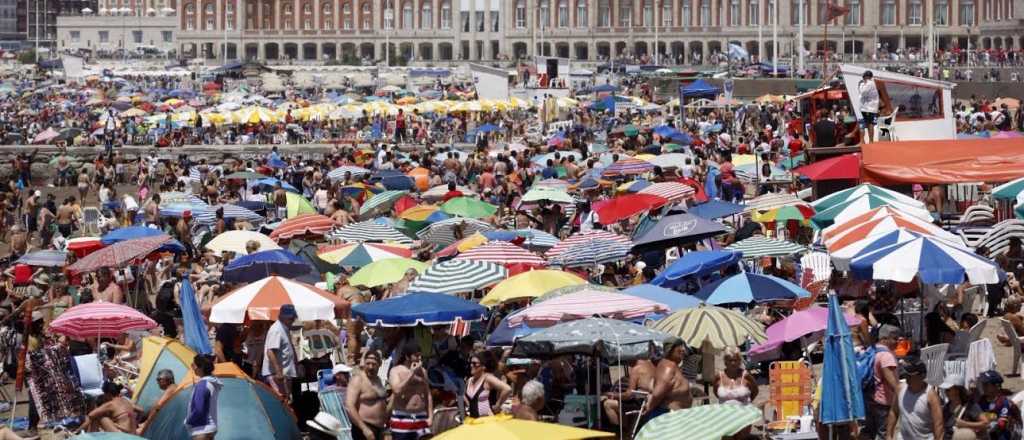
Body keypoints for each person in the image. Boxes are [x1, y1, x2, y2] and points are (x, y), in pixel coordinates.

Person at [885, 357, 944, 440]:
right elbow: (893, 412)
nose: (906, 377)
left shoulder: (931, 396)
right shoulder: (900, 389)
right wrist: (889, 435)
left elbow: (938, 424)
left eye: (910, 375)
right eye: (906, 374)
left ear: (922, 376)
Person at [388, 342, 433, 440]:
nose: (419, 359)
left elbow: (427, 394)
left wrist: (430, 416)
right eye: (416, 356)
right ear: (407, 356)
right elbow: (397, 390)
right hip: (402, 417)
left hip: (421, 417)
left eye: (420, 356)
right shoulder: (395, 371)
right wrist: (411, 373)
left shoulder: (423, 371)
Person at [865, 325, 902, 440]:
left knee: (871, 433)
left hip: (870, 399)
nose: (897, 342)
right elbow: (893, 383)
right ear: (885, 339)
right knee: (884, 434)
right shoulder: (886, 356)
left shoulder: (871, 350)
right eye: (895, 339)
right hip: (883, 402)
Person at [643, 340, 691, 426]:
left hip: (674, 417)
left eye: (683, 346)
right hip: (667, 418)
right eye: (679, 346)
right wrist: (649, 408)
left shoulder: (672, 366)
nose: (683, 349)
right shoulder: (668, 367)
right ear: (670, 350)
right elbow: (657, 393)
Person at [346, 350, 389, 440]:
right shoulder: (358, 380)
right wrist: (364, 428)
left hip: (380, 429)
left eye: (374, 364)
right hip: (364, 428)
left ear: (380, 364)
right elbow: (349, 407)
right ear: (364, 363)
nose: (370, 367)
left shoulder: (378, 380)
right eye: (368, 363)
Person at [602, 357, 656, 427]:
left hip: (640, 403)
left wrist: (612, 395)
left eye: (626, 360)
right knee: (621, 402)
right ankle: (625, 429)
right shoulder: (651, 365)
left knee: (607, 404)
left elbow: (628, 395)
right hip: (650, 401)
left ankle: (619, 432)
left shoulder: (636, 369)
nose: (626, 363)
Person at [262, 304, 298, 402]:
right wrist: (278, 372)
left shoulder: (283, 328)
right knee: (282, 402)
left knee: (286, 402)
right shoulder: (277, 330)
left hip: (283, 375)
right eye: (290, 318)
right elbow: (270, 352)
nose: (292, 320)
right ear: (282, 317)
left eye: (293, 318)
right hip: (277, 376)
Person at [464, 351, 513, 418]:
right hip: (473, 420)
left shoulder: (488, 378)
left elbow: (507, 389)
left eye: (474, 363)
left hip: (487, 420)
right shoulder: (469, 380)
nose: (471, 365)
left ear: (484, 366)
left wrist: (498, 405)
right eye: (470, 363)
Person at [977, 370, 1022, 440]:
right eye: (983, 384)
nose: (983, 386)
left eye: (986, 384)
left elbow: (1001, 424)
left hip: (1002, 435)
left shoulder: (1004, 402)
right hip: (984, 431)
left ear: (996, 386)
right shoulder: (981, 400)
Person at [185, 354, 222, 440]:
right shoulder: (212, 382)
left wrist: (188, 421)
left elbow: (198, 409)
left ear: (200, 367)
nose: (192, 367)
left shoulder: (202, 385)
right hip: (210, 429)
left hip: (201, 430)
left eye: (193, 365)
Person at [859, 70, 880, 143]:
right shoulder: (868, 83)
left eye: (864, 77)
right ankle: (863, 141)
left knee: (869, 123)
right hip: (865, 107)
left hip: (869, 108)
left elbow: (863, 93)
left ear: (866, 77)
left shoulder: (869, 83)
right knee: (864, 123)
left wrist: (861, 85)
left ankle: (870, 141)